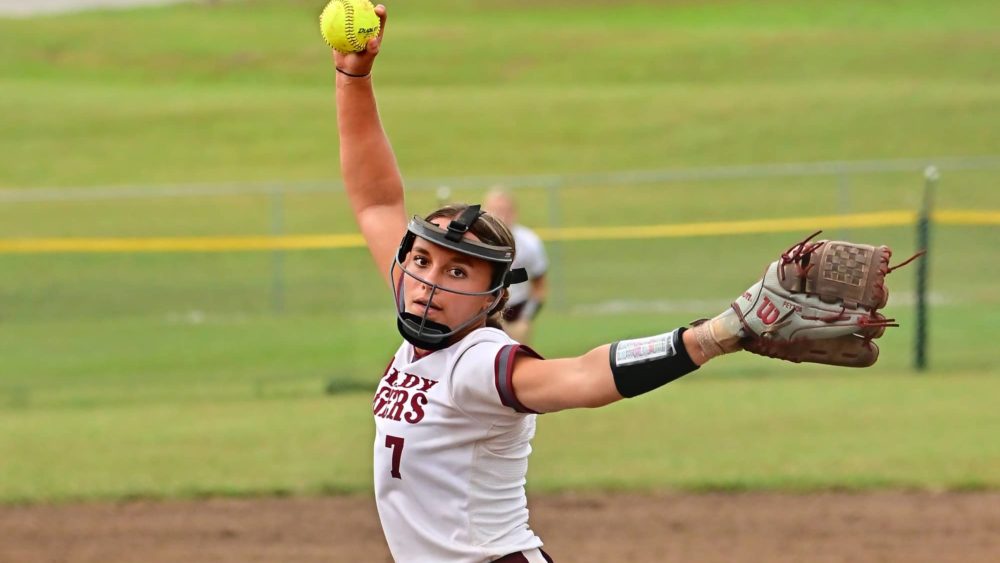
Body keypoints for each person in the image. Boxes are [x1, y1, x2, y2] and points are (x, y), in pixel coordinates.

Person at [332, 6, 903, 561]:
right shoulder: (423, 313)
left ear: (492, 297)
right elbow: (376, 201)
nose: (431, 282)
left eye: (458, 271)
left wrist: (715, 335)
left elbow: (583, 375)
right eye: (424, 262)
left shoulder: (479, 362)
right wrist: (353, 76)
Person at [482, 188, 548, 344]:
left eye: (505, 210)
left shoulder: (530, 242)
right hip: (483, 314)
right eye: (495, 210)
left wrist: (525, 319)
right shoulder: (474, 242)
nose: (500, 216)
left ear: (514, 213)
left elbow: (540, 287)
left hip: (515, 313)